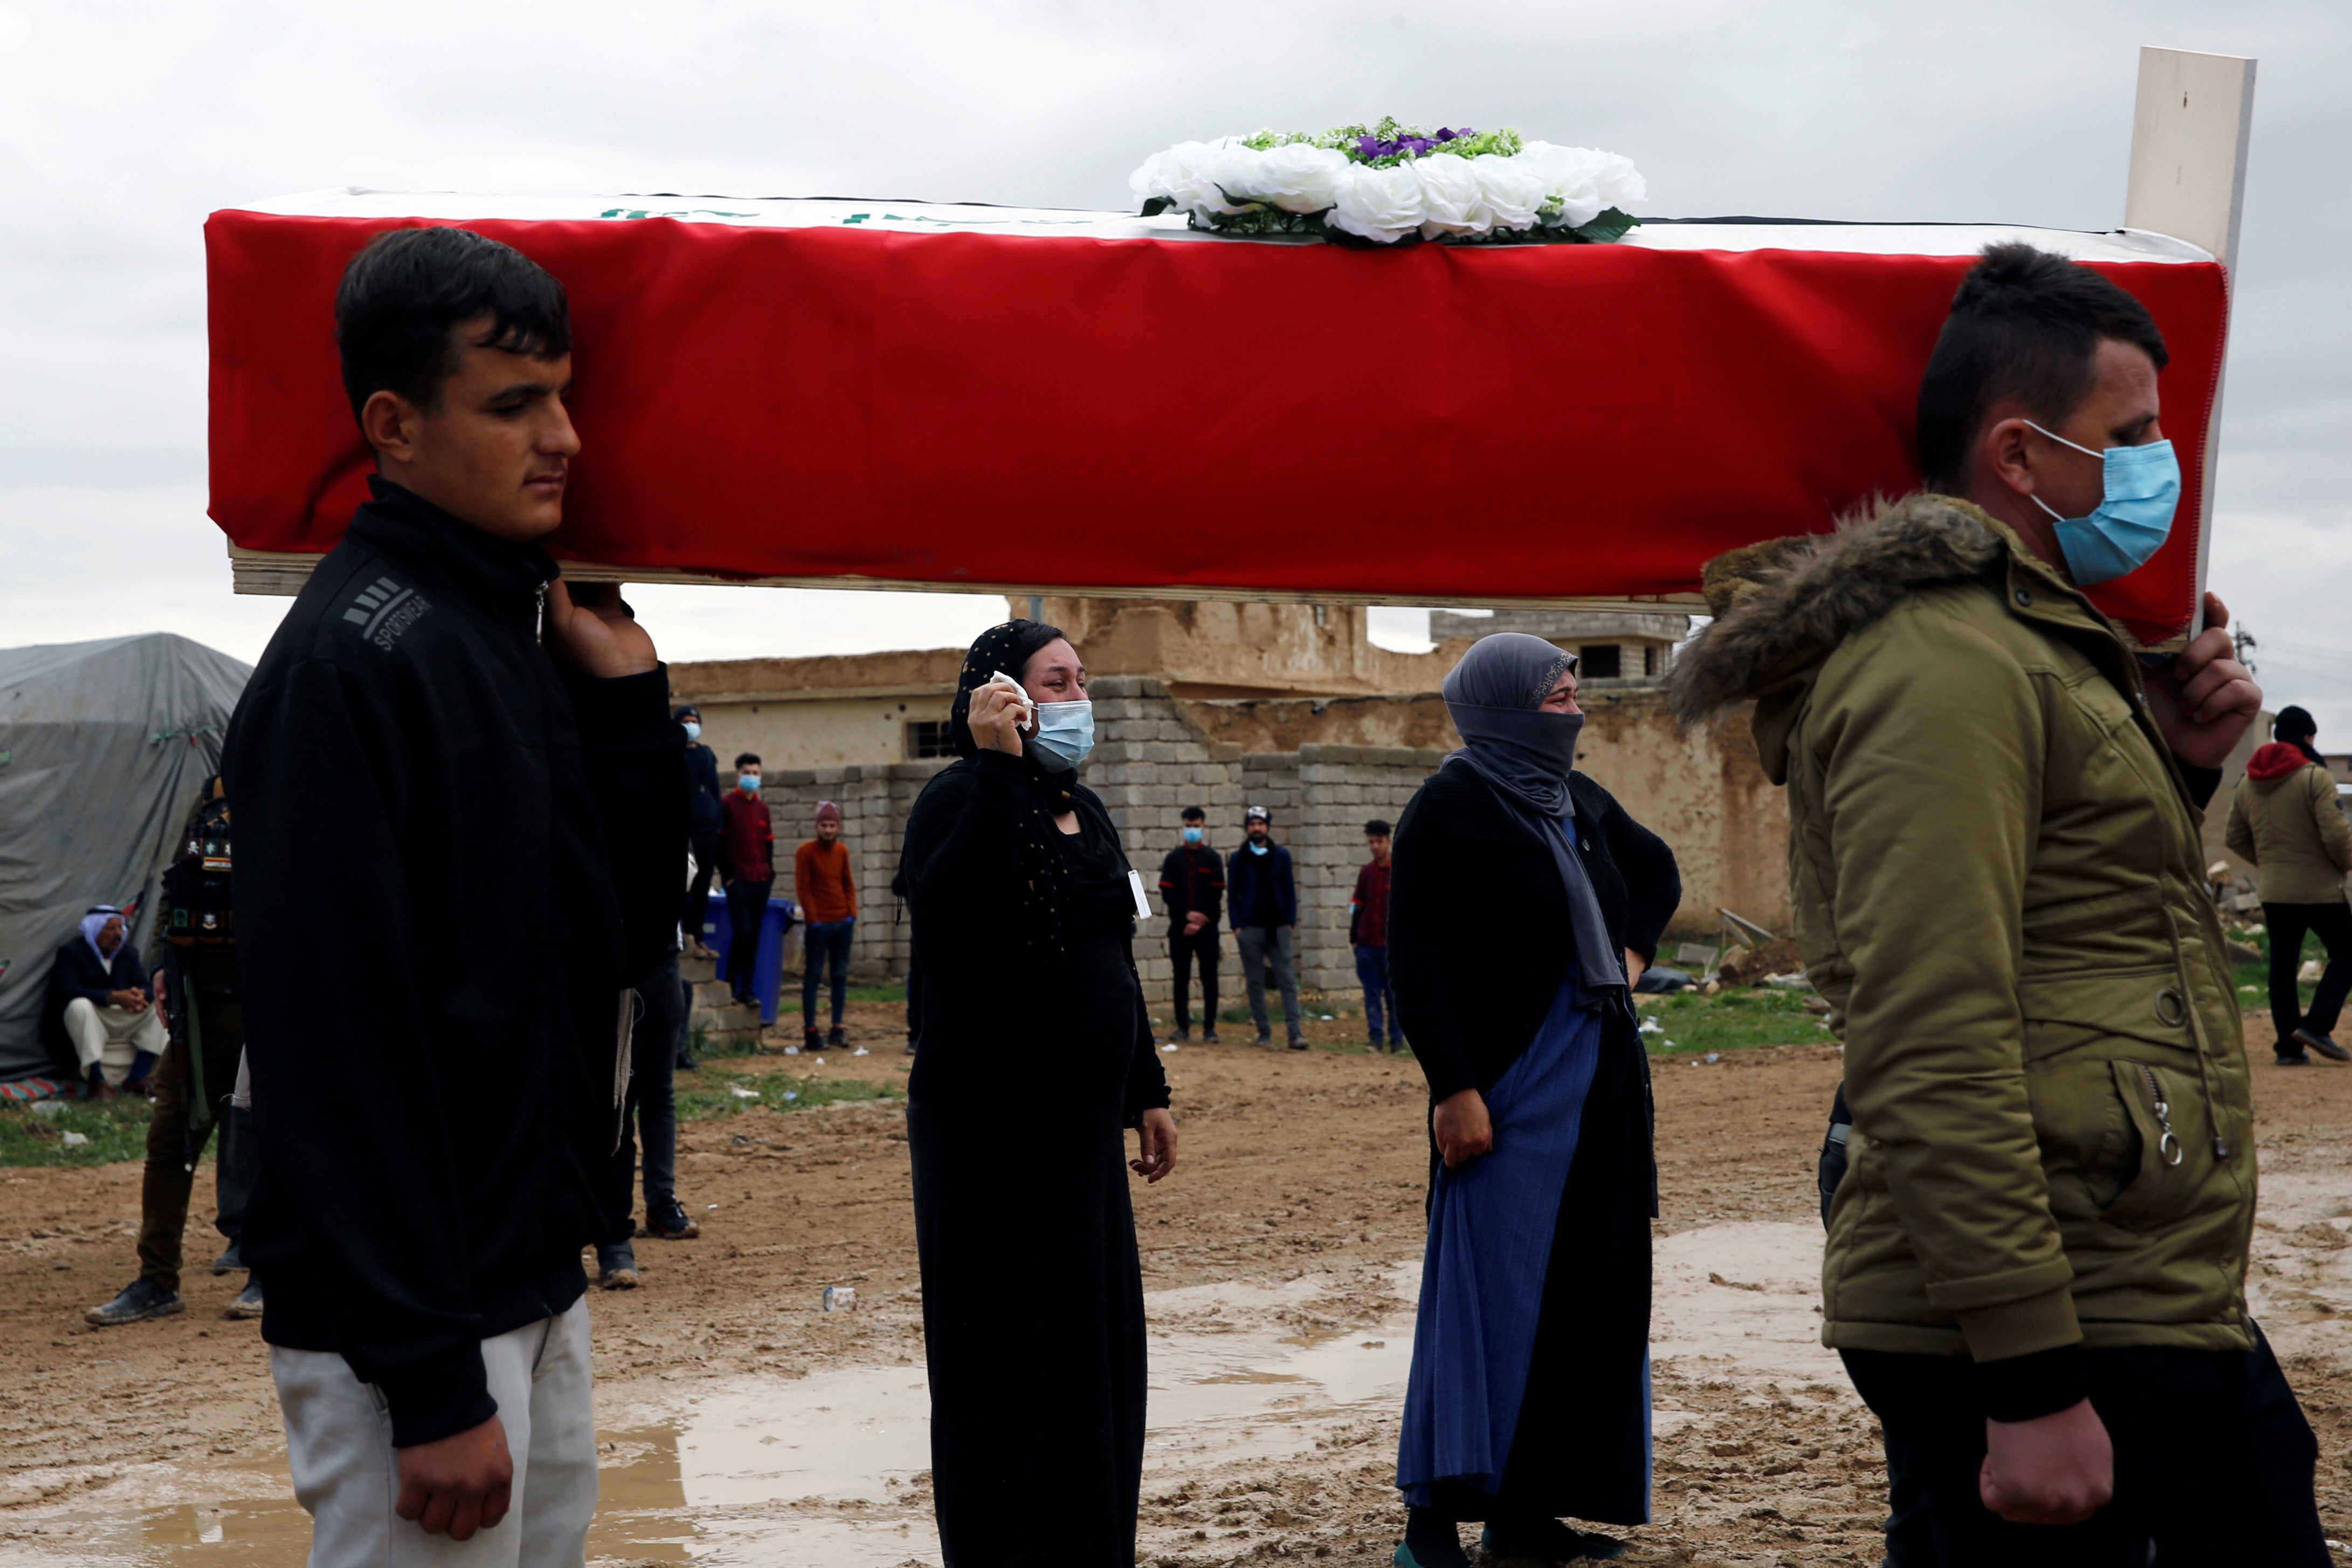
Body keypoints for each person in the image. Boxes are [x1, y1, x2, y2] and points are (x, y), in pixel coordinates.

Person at [1671, 243, 2327, 1565]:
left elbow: (2084, 919)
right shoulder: (1942, 659)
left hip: (2125, 1275)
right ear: (2020, 458)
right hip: (2046, 1309)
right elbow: (1930, 1022)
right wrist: (2027, 1379)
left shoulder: (2028, 641)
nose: (2158, 466)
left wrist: (2177, 764)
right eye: (2129, 434)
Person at [224, 225, 684, 1559]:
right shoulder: (346, 671)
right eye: (512, 404)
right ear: (394, 424)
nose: (566, 438)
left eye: (564, 395)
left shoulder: (514, 637)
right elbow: (337, 1048)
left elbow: (626, 939)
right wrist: (426, 1375)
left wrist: (631, 714)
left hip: (531, 1262)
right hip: (415, 1320)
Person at [1388, 634, 1680, 1568]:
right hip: (1508, 1085)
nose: (1573, 711)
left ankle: (1527, 1514)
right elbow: (1418, 959)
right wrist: (1454, 1087)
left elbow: (1657, 869)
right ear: (1506, 708)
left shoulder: (1578, 799)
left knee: (1585, 1287)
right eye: (1555, 698)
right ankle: (1431, 1522)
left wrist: (1628, 957)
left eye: (1572, 694)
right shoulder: (1451, 804)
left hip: (1597, 1076)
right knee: (1486, 1292)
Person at [896, 618, 1178, 1566]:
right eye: (1054, 680)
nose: (1075, 697)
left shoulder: (1084, 808)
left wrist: (1146, 1085)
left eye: (1079, 679)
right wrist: (989, 765)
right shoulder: (954, 800)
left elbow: (1113, 952)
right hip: (986, 1135)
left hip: (1079, 1137)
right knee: (1001, 1359)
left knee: (1092, 1354)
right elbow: (947, 918)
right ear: (999, 695)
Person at [88, 778, 262, 1328]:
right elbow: (179, 883)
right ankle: (157, 1278)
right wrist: (163, 962)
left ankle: (270, 1269)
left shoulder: (304, 780)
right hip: (199, 999)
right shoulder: (211, 793)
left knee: (271, 1141)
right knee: (170, 1136)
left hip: (269, 997)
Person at [2226, 706, 2352, 1065]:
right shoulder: (2315, 778)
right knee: (2347, 952)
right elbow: (2335, 835)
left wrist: (2269, 863)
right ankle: (2316, 1025)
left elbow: (2233, 837)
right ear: (2308, 737)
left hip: (2273, 890)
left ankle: (2288, 1048)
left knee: (2281, 966)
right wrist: (2343, 865)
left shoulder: (2247, 782)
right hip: (2317, 889)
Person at [595, 942, 699, 1290]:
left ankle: (662, 1202)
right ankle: (614, 1236)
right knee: (619, 1099)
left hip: (662, 959)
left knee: (659, 1093)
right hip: (612, 964)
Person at [42, 906, 163, 1097]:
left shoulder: (128, 952)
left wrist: (140, 997)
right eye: (111, 929)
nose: (118, 934)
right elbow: (65, 990)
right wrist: (112, 997)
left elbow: (145, 985)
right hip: (96, 1017)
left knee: (161, 1005)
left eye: (120, 928)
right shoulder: (72, 952)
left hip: (124, 1018)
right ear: (95, 929)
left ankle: (138, 1079)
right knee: (79, 1006)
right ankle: (96, 1081)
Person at [1227, 805, 1303, 1048]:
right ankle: (1264, 1033)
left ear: (1267, 826)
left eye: (1260, 824)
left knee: (1287, 980)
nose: (1256, 828)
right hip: (1250, 929)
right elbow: (1233, 895)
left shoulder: (1281, 855)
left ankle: (1295, 1033)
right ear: (1247, 828)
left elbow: (1290, 890)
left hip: (1278, 928)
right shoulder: (1239, 858)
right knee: (1255, 983)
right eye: (1252, 824)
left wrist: (1290, 920)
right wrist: (1237, 927)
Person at [1157, 805, 1225, 1044]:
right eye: (1189, 826)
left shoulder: (1213, 858)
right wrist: (1187, 915)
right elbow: (1168, 893)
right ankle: (1183, 1027)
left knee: (1210, 978)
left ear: (1203, 826)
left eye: (1196, 827)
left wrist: (1200, 919)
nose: (1193, 830)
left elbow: (1216, 894)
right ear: (1183, 826)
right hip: (1180, 928)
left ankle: (1210, 1028)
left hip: (1207, 930)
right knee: (1181, 978)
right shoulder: (1174, 859)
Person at [795, 800, 858, 1051]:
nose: (828, 830)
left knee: (840, 977)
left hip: (842, 921)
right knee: (813, 976)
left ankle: (837, 1028)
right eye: (824, 825)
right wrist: (814, 920)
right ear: (816, 826)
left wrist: (851, 914)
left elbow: (848, 884)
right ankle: (811, 1031)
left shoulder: (842, 851)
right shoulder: (806, 852)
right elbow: (803, 887)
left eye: (832, 825)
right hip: (819, 924)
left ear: (839, 827)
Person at [720, 753, 775, 1008]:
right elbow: (719, 844)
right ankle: (730, 986)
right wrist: (728, 877)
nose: (752, 777)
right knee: (742, 932)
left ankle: (748, 990)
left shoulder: (763, 809)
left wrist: (770, 874)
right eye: (747, 772)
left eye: (756, 772)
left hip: (761, 879)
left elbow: (768, 843)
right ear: (737, 775)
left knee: (754, 936)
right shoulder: (728, 804)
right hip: (739, 880)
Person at [1351, 818, 1404, 1052]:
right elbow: (1358, 906)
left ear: (1389, 842)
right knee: (1371, 995)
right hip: (1367, 945)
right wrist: (1354, 937)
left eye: (1379, 841)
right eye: (1371, 842)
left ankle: (1396, 1040)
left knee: (1393, 997)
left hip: (1390, 947)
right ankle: (1375, 1039)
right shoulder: (1366, 873)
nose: (1375, 846)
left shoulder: (1399, 873)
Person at [678, 704, 725, 959]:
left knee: (703, 887)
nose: (691, 725)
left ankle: (698, 938)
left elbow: (716, 791)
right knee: (684, 884)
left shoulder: (707, 755)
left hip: (709, 832)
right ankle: (682, 937)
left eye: (694, 720)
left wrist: (719, 823)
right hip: (686, 833)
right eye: (685, 721)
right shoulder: (674, 754)